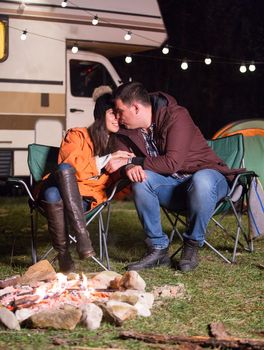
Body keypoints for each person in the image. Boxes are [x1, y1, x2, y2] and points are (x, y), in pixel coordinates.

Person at [105, 81, 241, 272]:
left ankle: (191, 245)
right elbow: (119, 161)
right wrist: (128, 168)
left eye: (120, 111)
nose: (117, 118)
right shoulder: (125, 132)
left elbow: (172, 163)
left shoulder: (176, 116)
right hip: (175, 188)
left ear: (135, 108)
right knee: (142, 182)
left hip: (209, 180)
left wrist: (133, 161)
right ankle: (158, 249)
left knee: (201, 180)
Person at [39, 86, 133, 273]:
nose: (117, 118)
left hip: (82, 200)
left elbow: (121, 184)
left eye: (118, 114)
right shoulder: (77, 135)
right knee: (64, 170)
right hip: (58, 182)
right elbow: (69, 165)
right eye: (111, 114)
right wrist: (105, 160)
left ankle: (64, 255)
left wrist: (126, 167)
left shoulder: (118, 145)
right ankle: (83, 238)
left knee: (51, 195)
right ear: (100, 116)